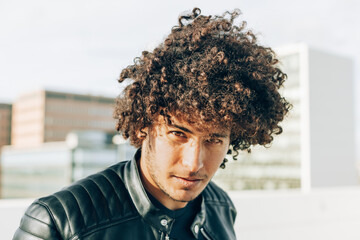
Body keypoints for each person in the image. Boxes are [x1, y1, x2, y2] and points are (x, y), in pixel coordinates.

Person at [13, 8, 290, 240]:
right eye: (178, 134)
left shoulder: (220, 208)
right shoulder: (57, 222)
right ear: (143, 126)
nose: (194, 164)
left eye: (214, 140)